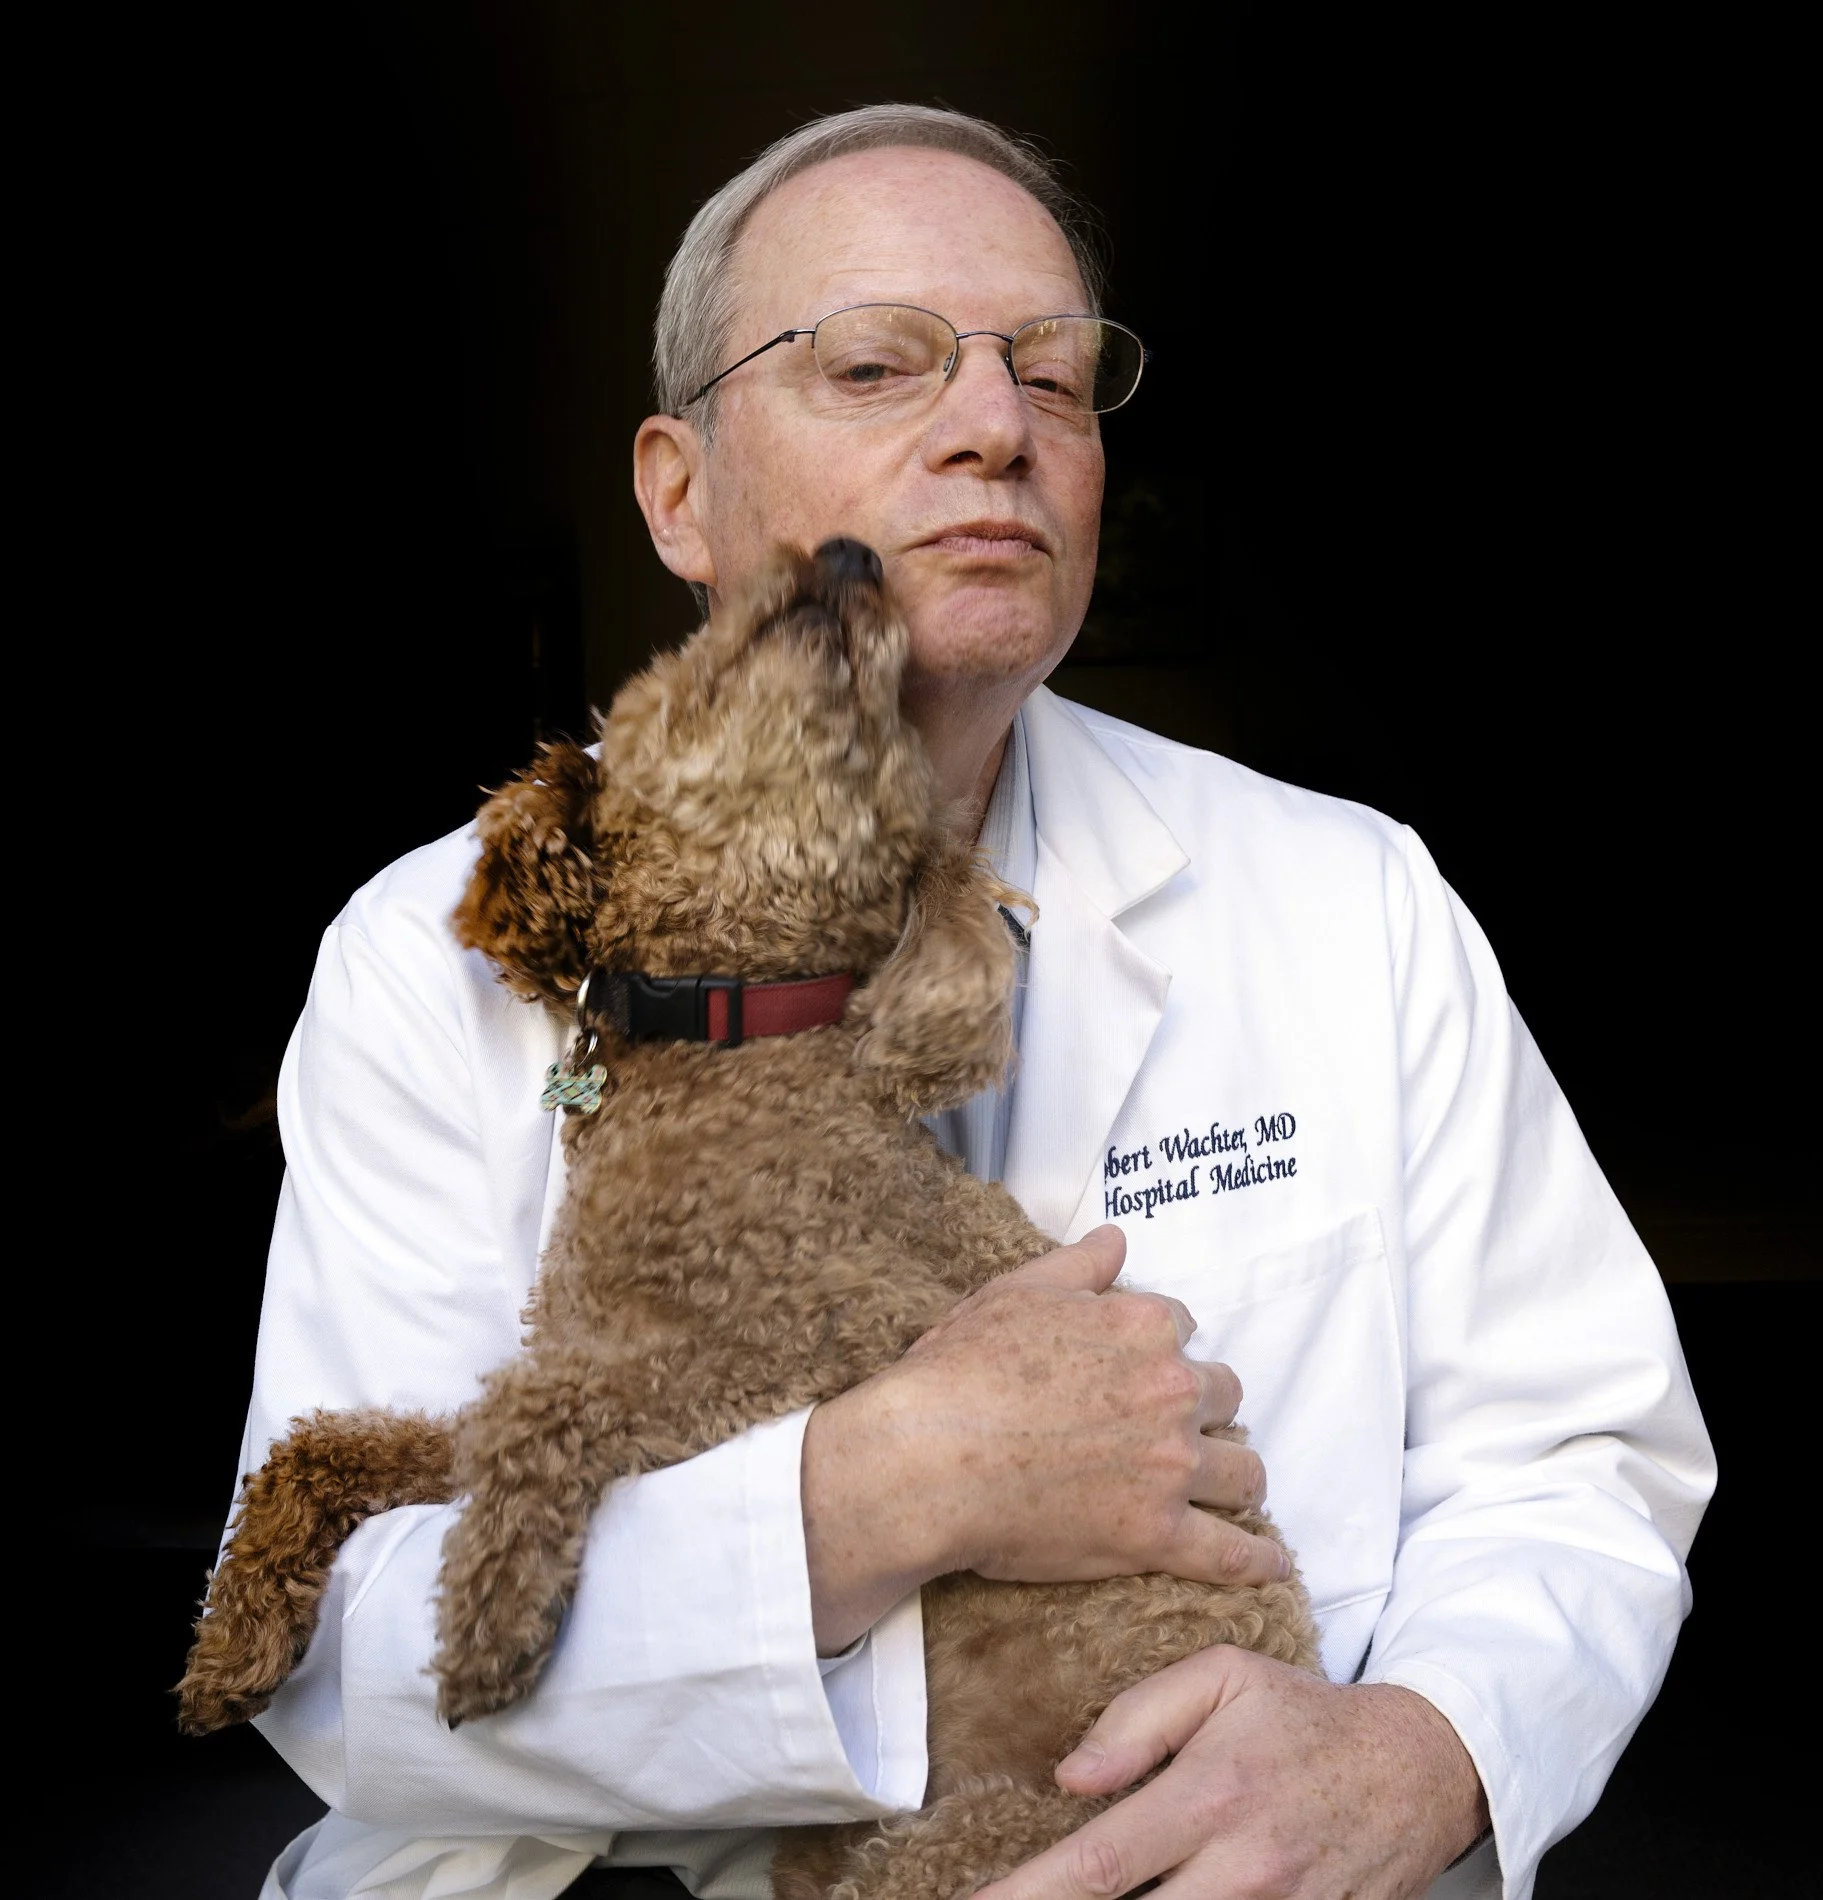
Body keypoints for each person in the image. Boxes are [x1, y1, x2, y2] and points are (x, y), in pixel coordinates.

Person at [240, 105, 1714, 1900]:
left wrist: (1422, 1750)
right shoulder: (436, 953)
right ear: (677, 493)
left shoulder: (1345, 898)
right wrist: (894, 1486)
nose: (997, 426)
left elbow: (1577, 1457)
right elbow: (347, 1650)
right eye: (878, 364)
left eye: (1060, 377)